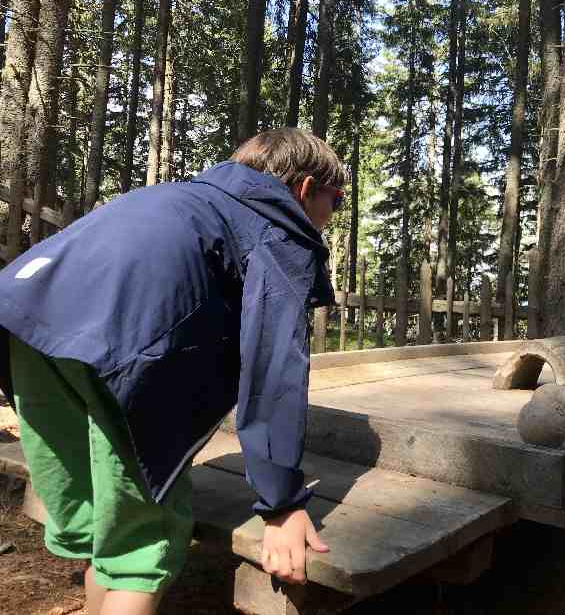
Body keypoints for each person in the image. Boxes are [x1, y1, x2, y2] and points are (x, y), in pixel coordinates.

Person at [0, 128, 346, 615]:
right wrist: (282, 503)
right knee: (141, 546)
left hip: (23, 322)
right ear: (306, 189)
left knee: (107, 527)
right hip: (115, 344)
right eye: (337, 199)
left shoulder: (178, 196)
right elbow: (275, 366)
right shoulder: (281, 225)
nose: (332, 217)